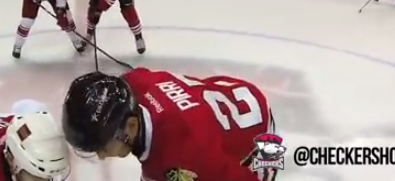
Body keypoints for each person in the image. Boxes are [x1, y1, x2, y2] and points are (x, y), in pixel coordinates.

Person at [61, 68, 276, 181]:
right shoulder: (132, 82)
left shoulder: (183, 153)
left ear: (132, 126)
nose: (101, 156)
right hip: (231, 91)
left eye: (103, 146)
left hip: (262, 138)